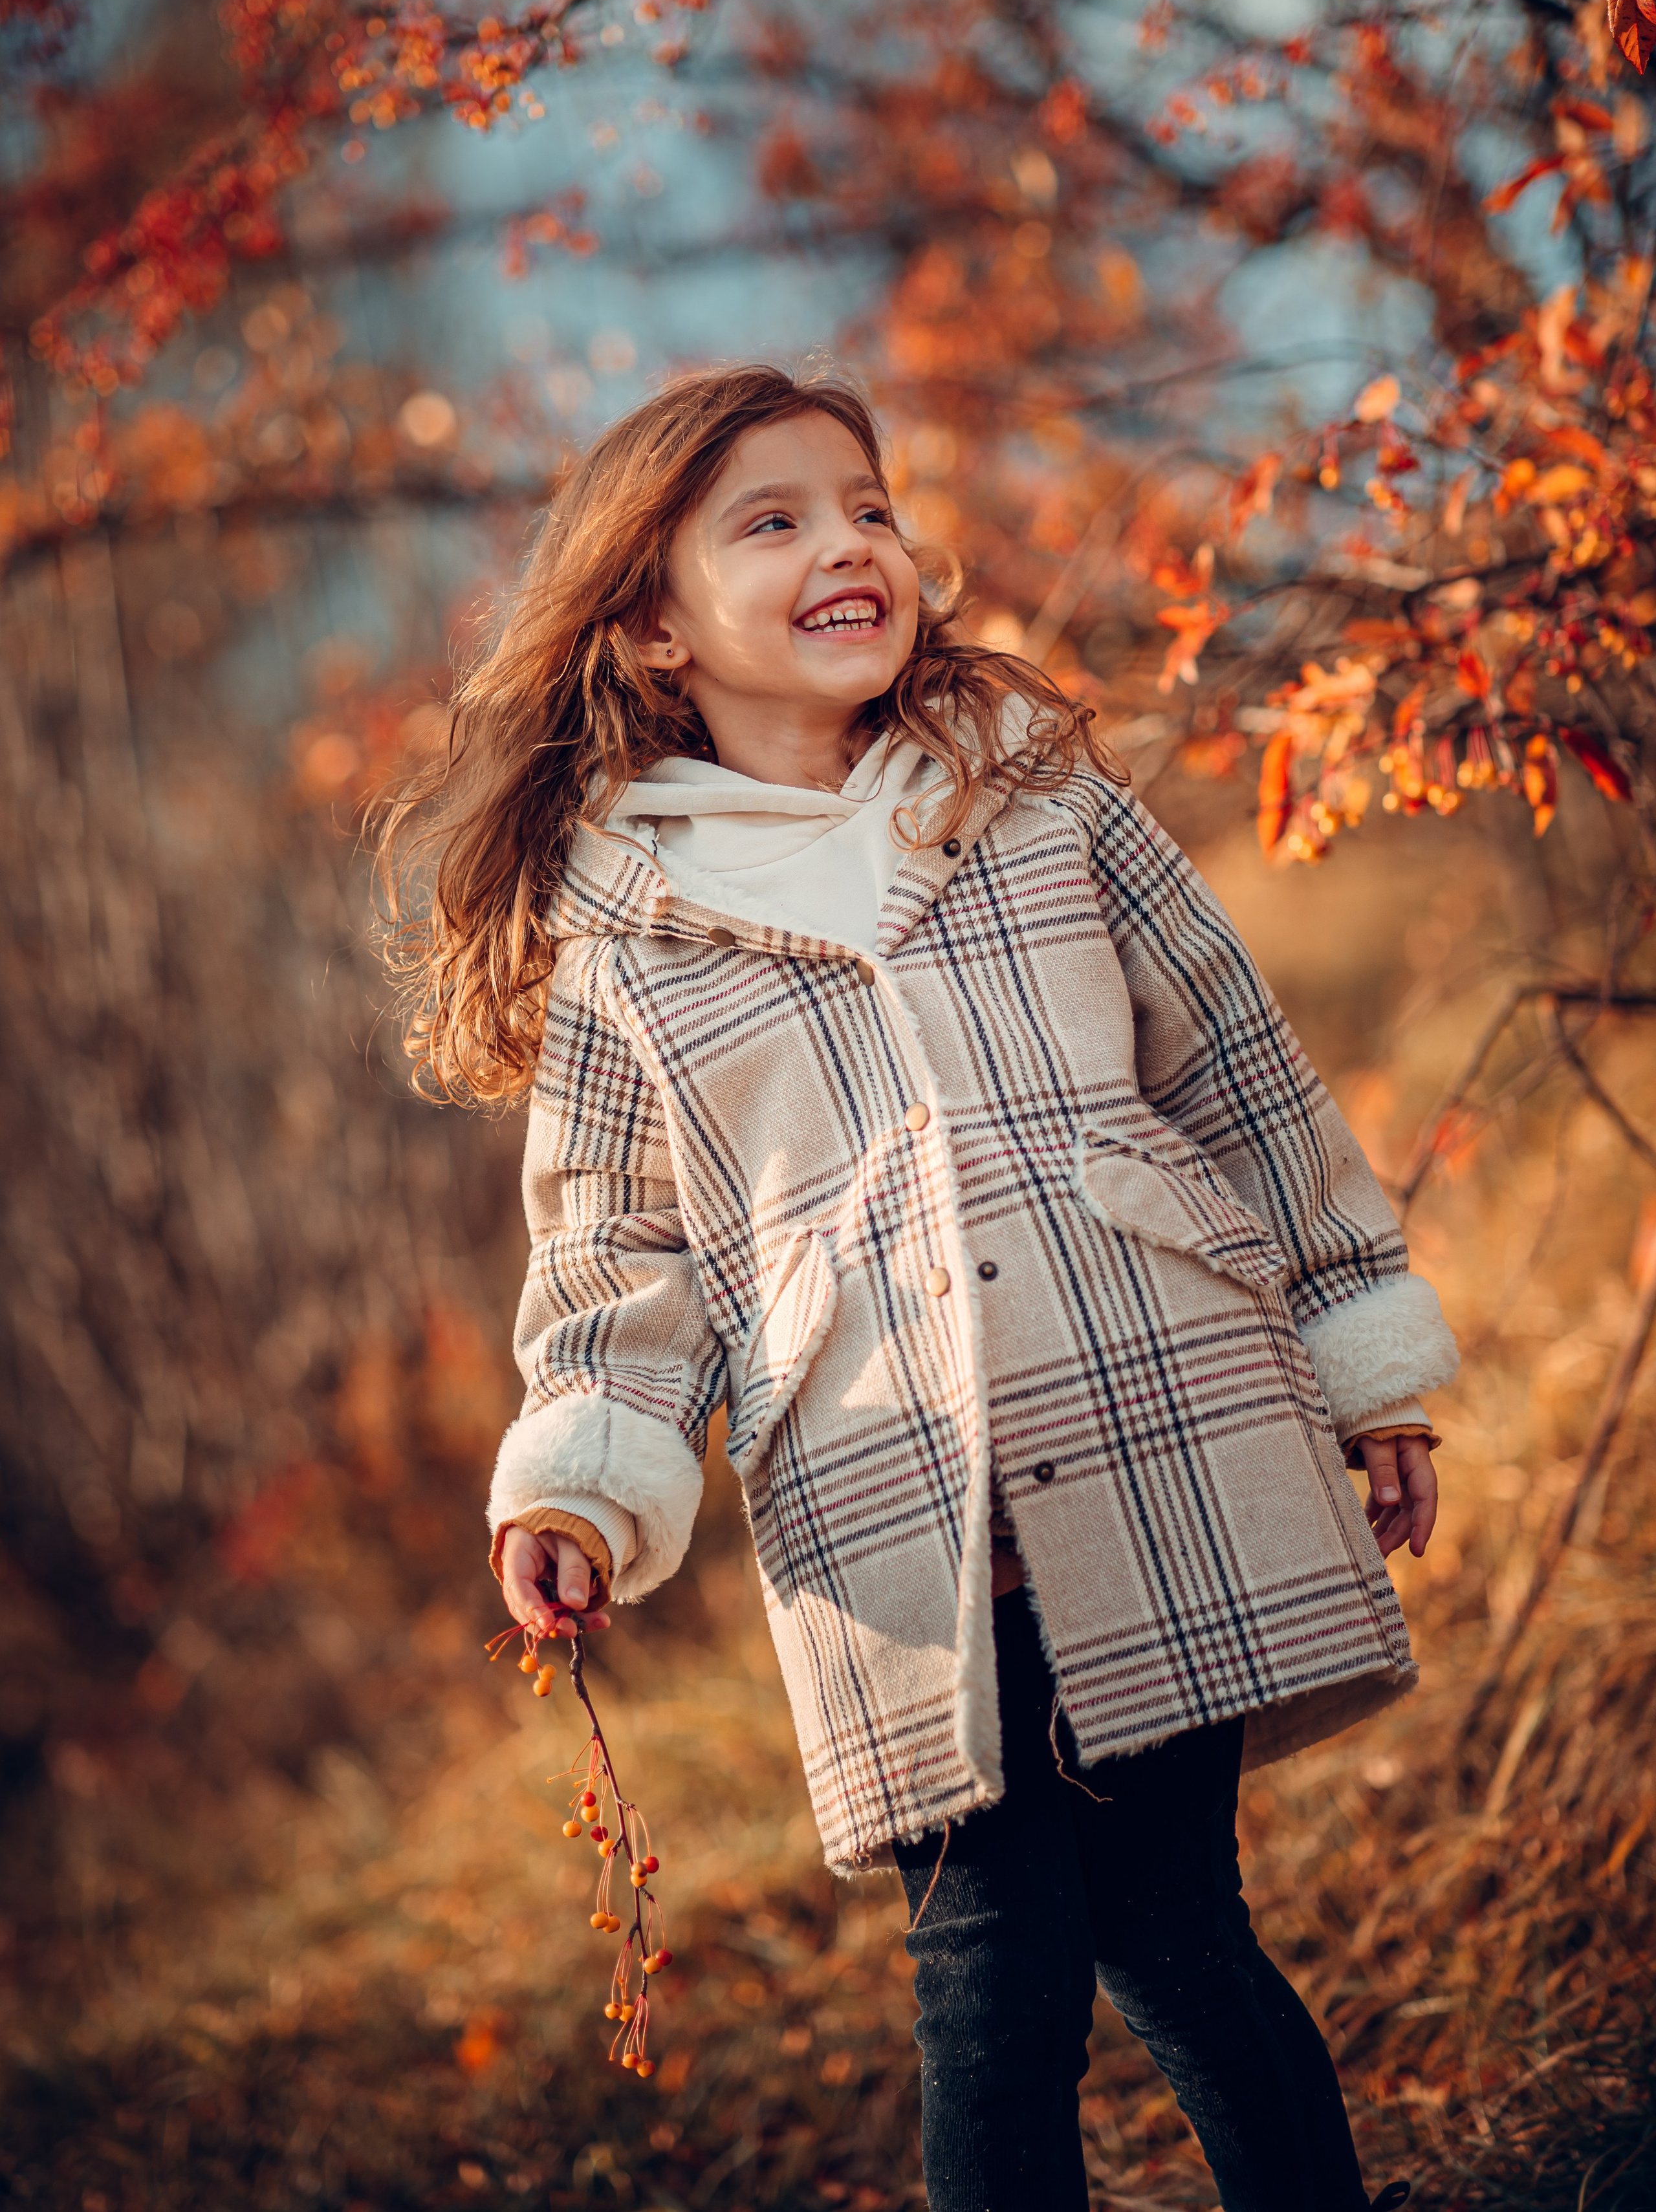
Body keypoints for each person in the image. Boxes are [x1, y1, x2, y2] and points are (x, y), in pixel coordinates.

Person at [376, 363, 1452, 2212]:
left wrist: (1367, 1351)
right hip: (899, 1527)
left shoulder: (1040, 808)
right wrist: (580, 1473)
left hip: (1155, 1447)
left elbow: (1242, 1077)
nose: (844, 544)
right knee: (990, 1991)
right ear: (648, 620)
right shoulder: (631, 935)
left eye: (863, 504)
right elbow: (624, 1254)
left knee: (1184, 1939)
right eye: (772, 520)